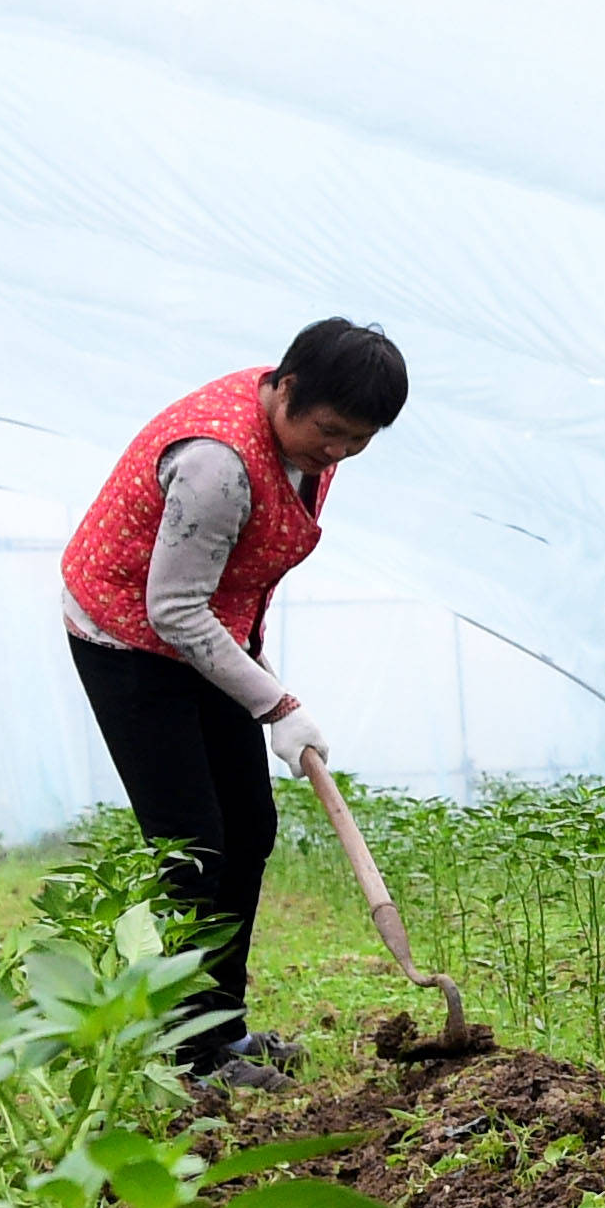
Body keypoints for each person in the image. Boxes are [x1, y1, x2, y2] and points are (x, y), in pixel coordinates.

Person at [59, 319, 409, 1088]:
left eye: (359, 440)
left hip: (203, 628)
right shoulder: (217, 466)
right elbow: (173, 610)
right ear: (284, 387)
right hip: (127, 637)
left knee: (248, 826)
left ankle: (224, 1031)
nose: (339, 451)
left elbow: (230, 580)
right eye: (330, 432)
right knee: (194, 846)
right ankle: (191, 1057)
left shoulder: (307, 438)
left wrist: (256, 674)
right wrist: (277, 704)